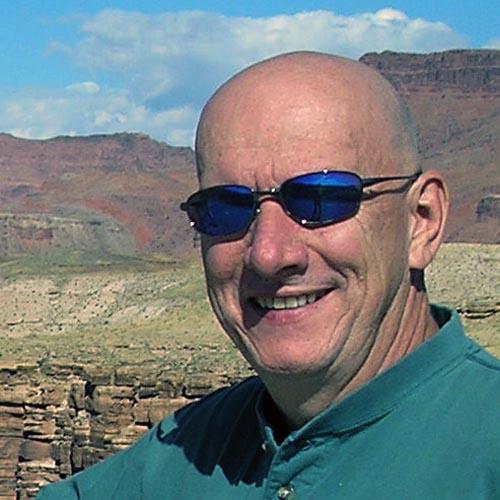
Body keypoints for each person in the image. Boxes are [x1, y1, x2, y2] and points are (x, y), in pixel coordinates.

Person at [38, 51, 500, 499]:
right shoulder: (175, 460)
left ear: (422, 220)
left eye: (321, 198)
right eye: (226, 208)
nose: (268, 253)